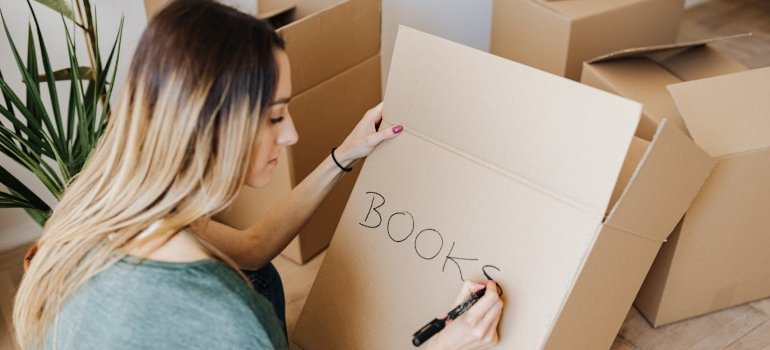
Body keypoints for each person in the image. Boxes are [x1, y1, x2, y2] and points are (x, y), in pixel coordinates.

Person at [13, 0, 503, 349]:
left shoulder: (101, 211)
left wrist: (345, 155)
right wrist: (449, 343)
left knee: (259, 272)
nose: (290, 135)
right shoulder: (227, 319)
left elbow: (251, 248)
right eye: (274, 116)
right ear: (213, 126)